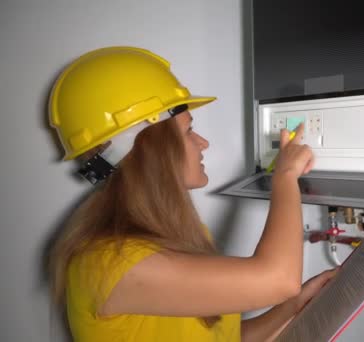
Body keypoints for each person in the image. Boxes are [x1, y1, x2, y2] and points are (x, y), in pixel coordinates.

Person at [48, 46, 337, 341]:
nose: (203, 143)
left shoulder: (179, 236)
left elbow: (227, 337)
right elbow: (279, 280)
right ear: (151, 149)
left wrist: (295, 305)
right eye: (188, 131)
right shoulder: (108, 263)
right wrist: (286, 175)